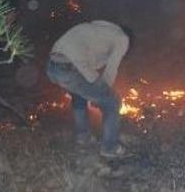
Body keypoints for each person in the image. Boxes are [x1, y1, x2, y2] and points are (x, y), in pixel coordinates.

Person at [46, 20, 131, 158]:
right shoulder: (123, 39)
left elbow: (89, 65)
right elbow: (111, 69)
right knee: (112, 102)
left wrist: (96, 91)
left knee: (79, 95)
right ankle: (109, 148)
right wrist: (104, 92)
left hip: (53, 66)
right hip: (70, 68)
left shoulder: (101, 30)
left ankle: (83, 138)